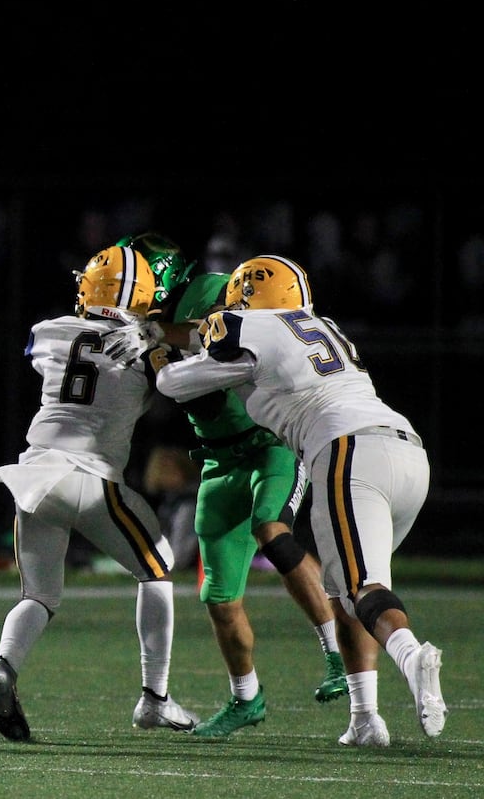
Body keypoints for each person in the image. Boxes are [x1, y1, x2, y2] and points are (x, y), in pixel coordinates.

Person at [155, 254, 445, 745]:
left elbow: (179, 376)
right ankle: (365, 719)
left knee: (362, 590)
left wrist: (159, 349)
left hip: (348, 450)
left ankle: (412, 656)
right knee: (346, 589)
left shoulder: (245, 324)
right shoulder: (321, 325)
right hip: (408, 452)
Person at [109, 235, 349, 740]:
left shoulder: (215, 289)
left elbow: (229, 332)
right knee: (218, 597)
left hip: (269, 443)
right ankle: (246, 699)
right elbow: (164, 381)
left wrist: (158, 331)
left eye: (140, 280)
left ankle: (337, 654)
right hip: (217, 461)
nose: (132, 293)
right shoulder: (134, 325)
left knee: (272, 530)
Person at [0, 244, 198, 742]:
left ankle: (4, 669)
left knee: (38, 594)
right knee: (158, 568)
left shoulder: (48, 332)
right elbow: (175, 385)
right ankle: (155, 698)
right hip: (91, 477)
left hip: (35, 473)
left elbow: (50, 358)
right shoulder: (148, 345)